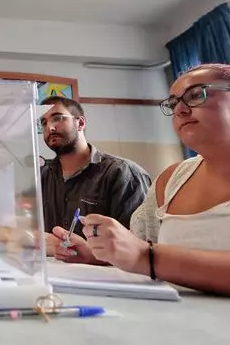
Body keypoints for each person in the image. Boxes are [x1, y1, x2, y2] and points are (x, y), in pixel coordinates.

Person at [52, 64, 230, 302]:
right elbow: (139, 250)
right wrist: (98, 255)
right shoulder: (172, 179)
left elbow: (148, 256)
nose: (180, 110)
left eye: (196, 95)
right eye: (173, 103)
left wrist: (149, 258)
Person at [39, 96, 151, 255]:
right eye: (43, 122)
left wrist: (86, 252)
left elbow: (140, 248)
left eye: (58, 118)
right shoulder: (42, 177)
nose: (50, 127)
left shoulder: (123, 174)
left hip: (109, 276)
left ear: (81, 123)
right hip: (53, 275)